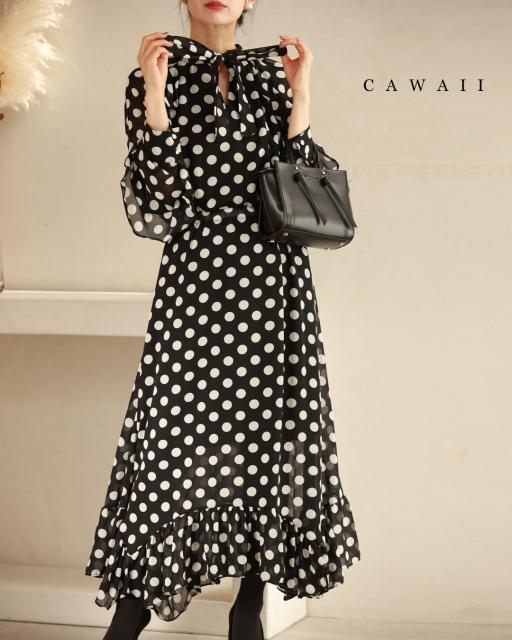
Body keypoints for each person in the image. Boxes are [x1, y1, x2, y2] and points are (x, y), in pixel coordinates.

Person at [84, 1, 361, 639]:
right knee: (168, 441)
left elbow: (301, 185)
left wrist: (301, 96)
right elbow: (158, 201)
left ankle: (250, 601)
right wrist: (155, 97)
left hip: (272, 280)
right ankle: (134, 606)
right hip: (195, 278)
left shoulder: (272, 76)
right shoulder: (151, 74)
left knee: (270, 434)